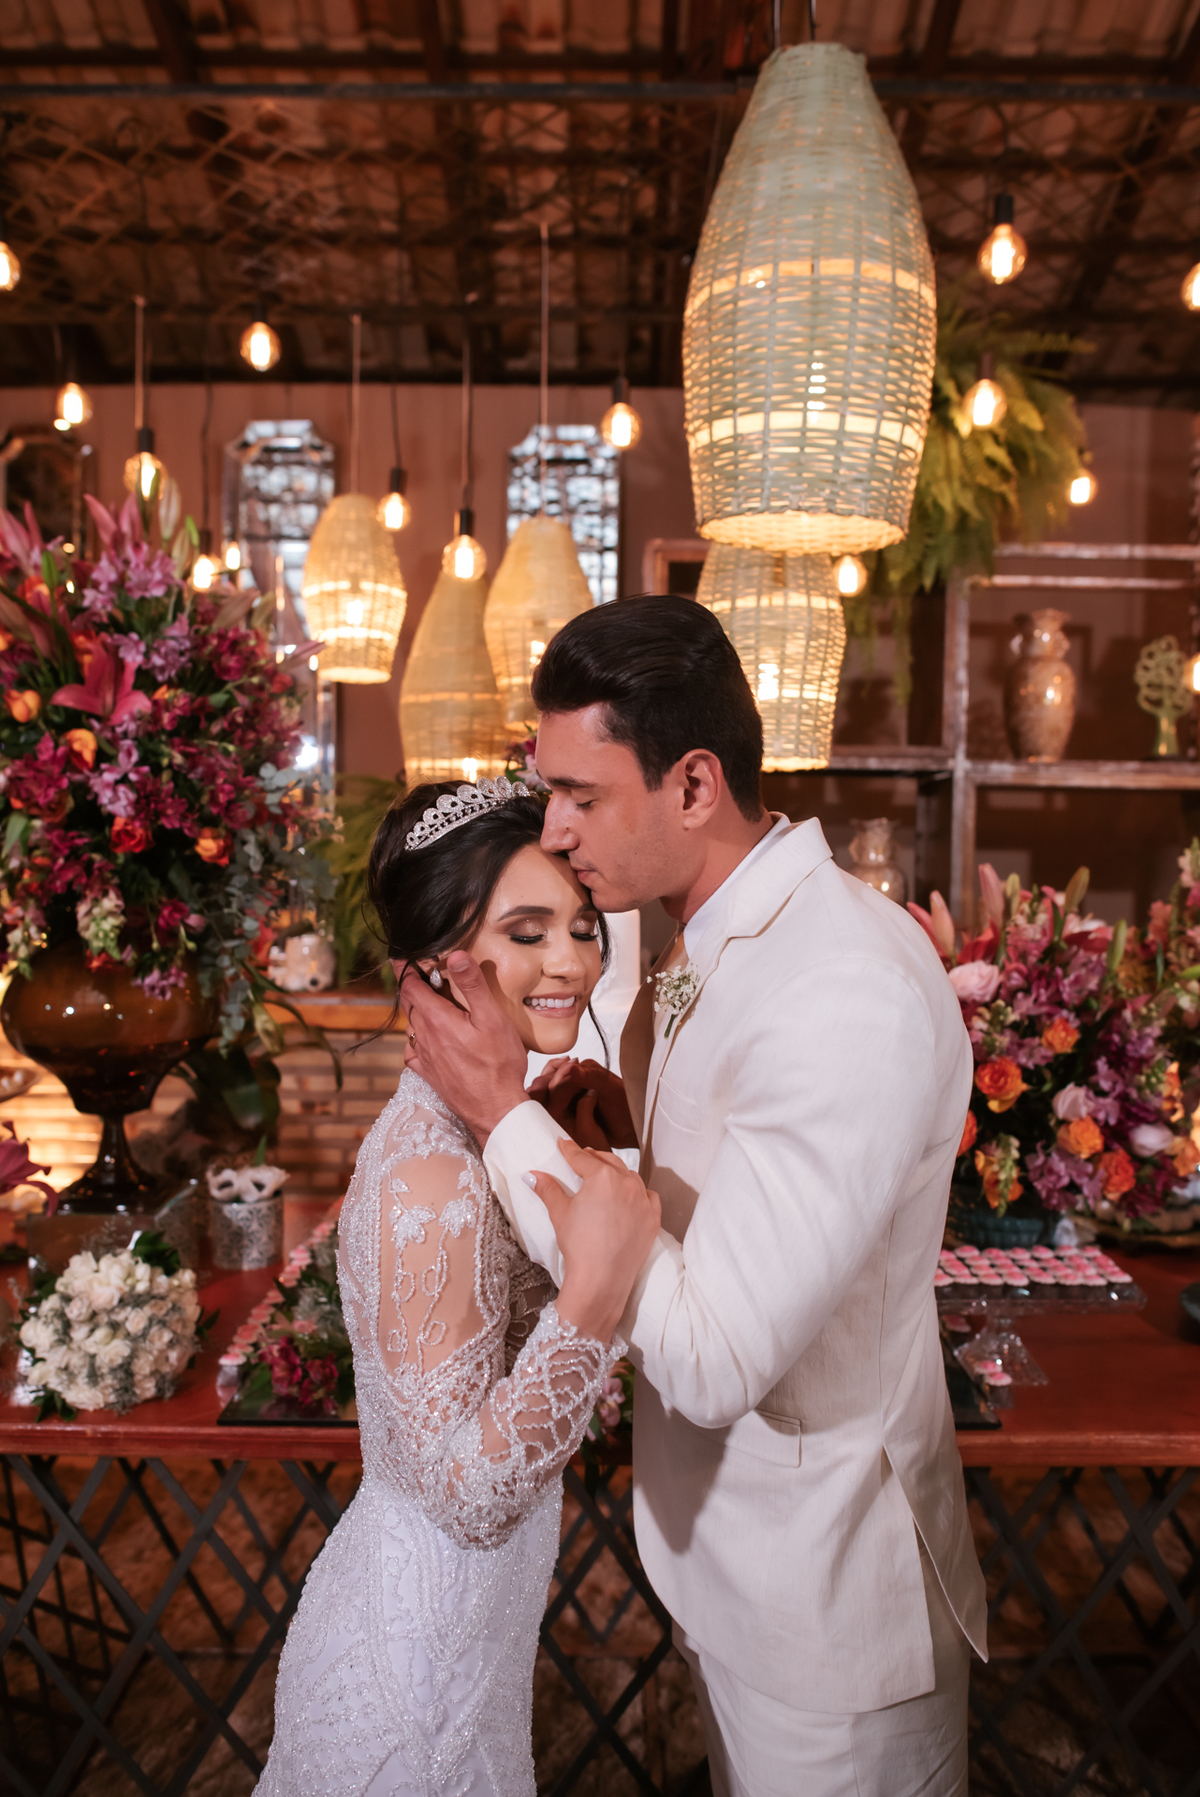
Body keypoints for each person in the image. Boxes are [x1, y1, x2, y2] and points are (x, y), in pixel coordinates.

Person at [402, 595, 989, 1797]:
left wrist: (505, 1119)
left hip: (826, 1609)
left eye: (583, 795)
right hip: (733, 1567)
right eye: (548, 792)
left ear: (695, 785)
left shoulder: (842, 987)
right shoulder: (702, 935)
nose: (554, 830)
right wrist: (607, 1132)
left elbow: (718, 1360)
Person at [255, 777, 660, 1797]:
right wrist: (589, 1306)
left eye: (581, 928)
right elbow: (467, 1496)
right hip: (413, 1686)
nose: (570, 961)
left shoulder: (481, 1134)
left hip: (466, 1663)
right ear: (438, 965)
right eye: (527, 933)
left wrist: (579, 1152)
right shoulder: (432, 1170)